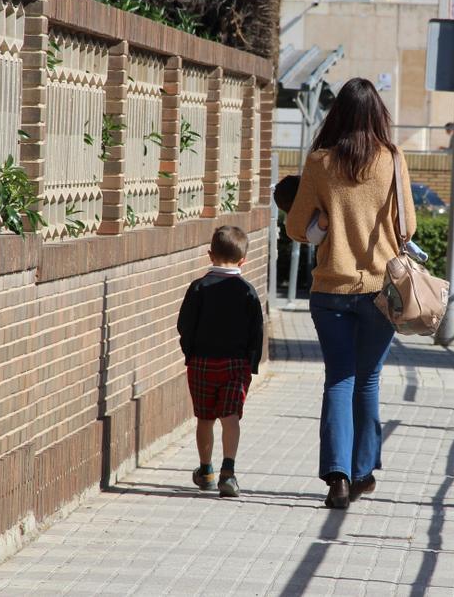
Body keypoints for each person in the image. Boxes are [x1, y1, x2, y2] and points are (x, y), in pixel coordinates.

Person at [285, 78, 417, 510]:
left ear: (337, 113)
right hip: (380, 289)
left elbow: (295, 227)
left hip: (330, 287)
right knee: (369, 379)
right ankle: (362, 472)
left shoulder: (320, 162)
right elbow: (409, 228)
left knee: (338, 378)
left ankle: (337, 477)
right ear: (378, 114)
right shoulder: (393, 160)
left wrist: (327, 222)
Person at [176, 226, 265, 499]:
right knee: (230, 418)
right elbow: (256, 331)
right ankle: (229, 471)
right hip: (236, 365)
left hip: (202, 362)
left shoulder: (198, 287)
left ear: (209, 255)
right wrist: (252, 363)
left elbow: (185, 325)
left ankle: (206, 470)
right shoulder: (247, 292)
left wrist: (189, 352)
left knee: (205, 418)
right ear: (243, 261)